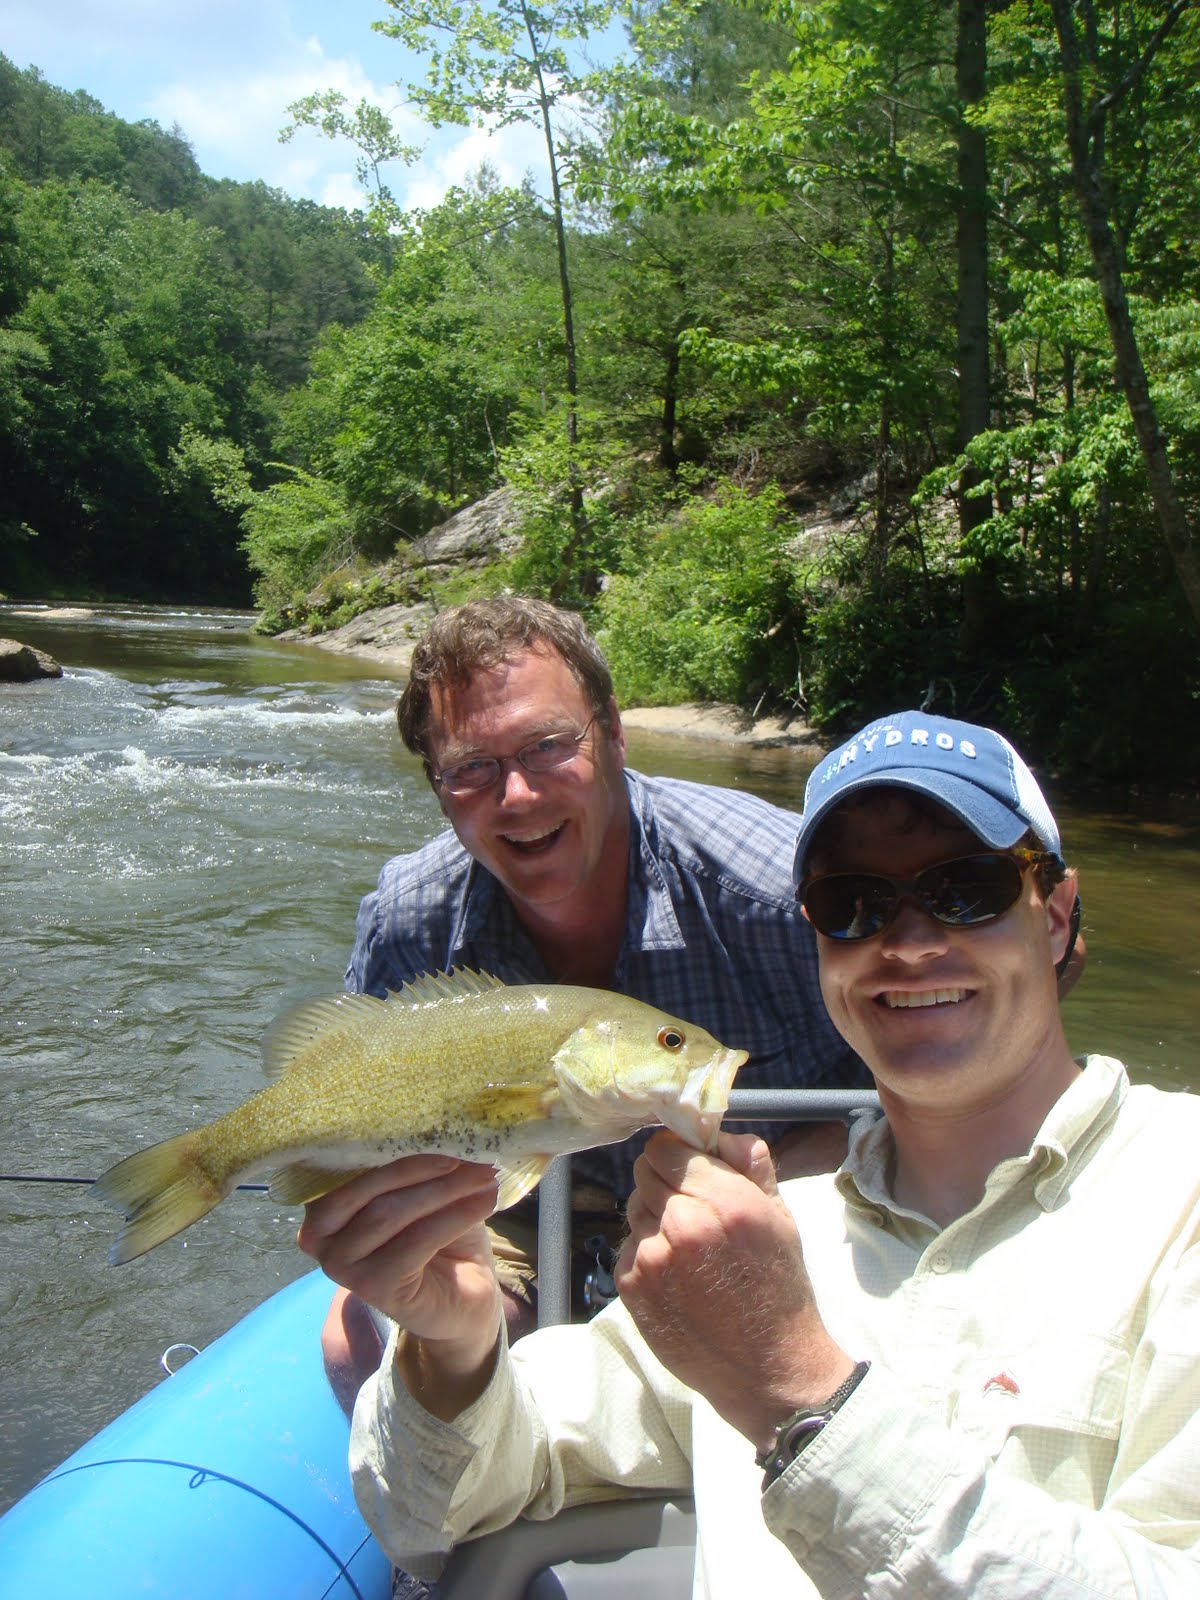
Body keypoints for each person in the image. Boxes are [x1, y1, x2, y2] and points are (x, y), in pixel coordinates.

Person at [302, 708, 1200, 1596]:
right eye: (854, 905)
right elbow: (434, 1513)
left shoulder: (1180, 1198)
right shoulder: (767, 1242)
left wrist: (798, 1389)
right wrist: (454, 1346)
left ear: (1056, 916)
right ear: (815, 941)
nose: (911, 942)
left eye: (967, 890)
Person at [322, 596, 869, 1403]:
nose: (516, 795)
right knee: (350, 1343)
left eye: (547, 746)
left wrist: (763, 1199)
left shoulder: (778, 893)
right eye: (471, 767)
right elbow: (354, 1108)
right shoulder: (408, 922)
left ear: (613, 733)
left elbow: (905, 1097)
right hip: (518, 1215)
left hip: (762, 1213)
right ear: (438, 788)